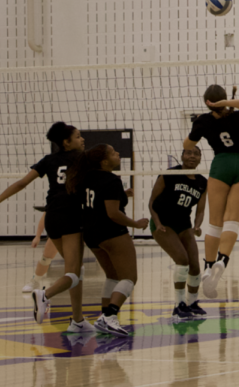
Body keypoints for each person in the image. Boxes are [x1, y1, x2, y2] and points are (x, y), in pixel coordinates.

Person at [0, 122, 90, 333]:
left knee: (75, 270)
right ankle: (44, 295)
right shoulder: (83, 159)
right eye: (78, 136)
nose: (82, 139)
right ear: (66, 142)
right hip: (71, 215)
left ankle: (78, 320)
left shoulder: (48, 160)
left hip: (51, 216)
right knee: (74, 271)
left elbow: (21, 183)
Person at [185, 85, 239, 298]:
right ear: (223, 99)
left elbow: (187, 144)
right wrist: (225, 105)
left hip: (221, 164)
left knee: (215, 222)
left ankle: (208, 267)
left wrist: (201, 125)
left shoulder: (202, 121)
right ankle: (223, 260)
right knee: (232, 220)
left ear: (206, 102)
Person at [67, 144, 148, 336]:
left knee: (112, 276)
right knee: (129, 278)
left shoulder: (85, 178)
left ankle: (105, 317)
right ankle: (110, 316)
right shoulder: (112, 179)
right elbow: (113, 213)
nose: (118, 153)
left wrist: (122, 194)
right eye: (113, 152)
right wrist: (135, 224)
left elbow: (97, 199)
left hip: (91, 233)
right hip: (111, 232)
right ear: (104, 161)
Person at [149, 147, 209, 320]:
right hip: (164, 223)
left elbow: (200, 210)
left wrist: (197, 226)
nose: (192, 156)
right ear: (182, 156)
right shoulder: (169, 174)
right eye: (188, 153)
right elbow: (152, 201)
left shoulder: (202, 182)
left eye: (196, 154)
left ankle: (192, 303)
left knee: (195, 266)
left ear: (200, 159)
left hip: (184, 225)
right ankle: (179, 305)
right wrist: (158, 223)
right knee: (182, 260)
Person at [23, 209, 60, 294]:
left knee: (74, 260)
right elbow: (45, 216)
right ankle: (35, 281)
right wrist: (37, 236)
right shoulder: (55, 199)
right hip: (59, 231)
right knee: (45, 259)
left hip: (74, 231)